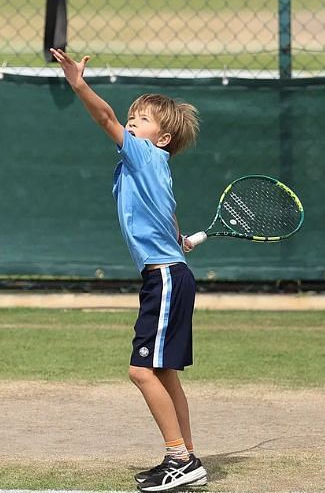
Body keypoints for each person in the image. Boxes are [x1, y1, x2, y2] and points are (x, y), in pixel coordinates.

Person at [49, 48, 208, 492]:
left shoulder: (142, 155)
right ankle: (187, 457)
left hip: (165, 279)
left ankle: (180, 457)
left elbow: (104, 118)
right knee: (165, 373)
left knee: (141, 372)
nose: (132, 121)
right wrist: (177, 237)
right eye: (133, 116)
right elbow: (168, 216)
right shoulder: (148, 168)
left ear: (160, 140)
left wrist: (79, 85)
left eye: (142, 119)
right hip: (169, 272)